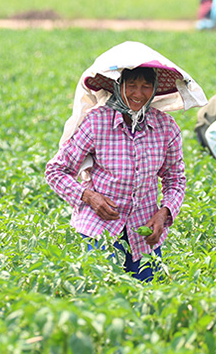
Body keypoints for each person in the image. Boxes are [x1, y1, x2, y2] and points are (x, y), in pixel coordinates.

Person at [45, 41, 207, 282]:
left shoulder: (166, 128)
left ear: (154, 90)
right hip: (98, 228)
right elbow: (56, 171)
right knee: (101, 292)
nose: (138, 94)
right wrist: (89, 196)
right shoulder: (97, 122)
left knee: (147, 298)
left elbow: (175, 180)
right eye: (131, 85)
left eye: (145, 86)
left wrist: (164, 213)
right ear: (119, 86)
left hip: (144, 232)